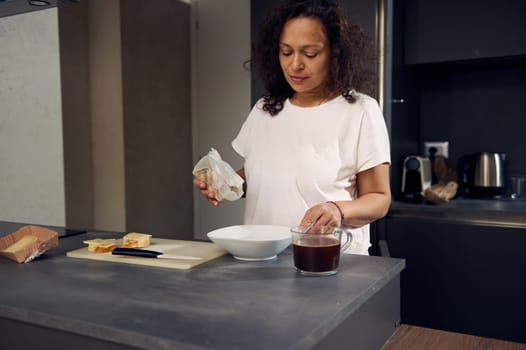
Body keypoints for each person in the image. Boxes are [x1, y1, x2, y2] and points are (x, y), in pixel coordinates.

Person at [193, 0, 391, 255]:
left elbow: (379, 198)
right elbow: (261, 177)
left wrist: (337, 209)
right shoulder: (265, 109)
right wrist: (226, 184)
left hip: (328, 261)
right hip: (262, 259)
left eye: (310, 54)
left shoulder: (360, 111)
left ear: (335, 53)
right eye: (286, 52)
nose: (295, 64)